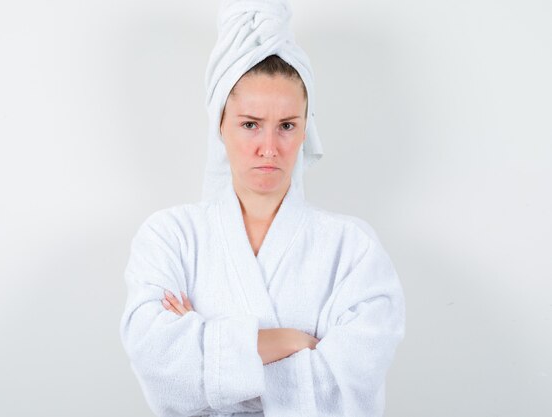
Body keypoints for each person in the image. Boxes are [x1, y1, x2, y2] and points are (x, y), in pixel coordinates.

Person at [119, 2, 405, 417]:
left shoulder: (353, 249)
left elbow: (347, 391)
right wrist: (293, 341)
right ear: (221, 124)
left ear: (305, 127)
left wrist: (211, 357)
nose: (269, 148)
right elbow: (159, 365)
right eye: (250, 123)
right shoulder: (170, 237)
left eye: (286, 126)